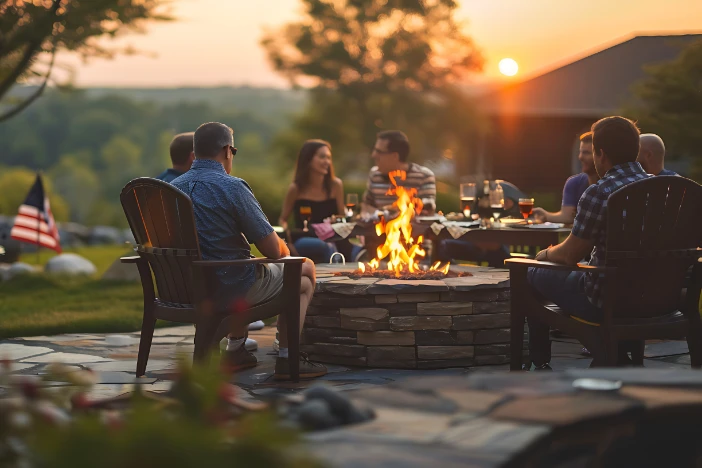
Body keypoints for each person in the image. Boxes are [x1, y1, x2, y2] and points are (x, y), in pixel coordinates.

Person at [172, 122, 327, 381]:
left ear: (196, 152)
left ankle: (236, 351)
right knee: (305, 270)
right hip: (228, 287)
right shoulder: (231, 187)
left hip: (185, 288)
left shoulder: (173, 189)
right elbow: (272, 250)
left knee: (240, 262)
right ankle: (289, 358)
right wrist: (284, 247)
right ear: (226, 151)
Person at [525, 116, 651, 370]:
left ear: (601, 154)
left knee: (529, 273)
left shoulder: (600, 191)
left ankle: (539, 361)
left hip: (605, 300)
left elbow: (569, 255)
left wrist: (545, 255)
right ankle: (618, 353)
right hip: (657, 299)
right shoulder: (668, 189)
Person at [278, 140, 352, 263]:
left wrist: (337, 219)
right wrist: (287, 241)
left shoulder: (335, 185)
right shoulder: (296, 189)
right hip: (304, 238)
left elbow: (342, 217)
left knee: (356, 249)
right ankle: (336, 273)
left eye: (329, 158)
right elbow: (283, 219)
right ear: (308, 159)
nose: (327, 162)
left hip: (330, 236)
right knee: (324, 245)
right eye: (322, 157)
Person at [361, 130, 436, 215]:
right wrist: (384, 213)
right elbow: (366, 207)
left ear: (395, 156)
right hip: (380, 227)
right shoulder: (375, 174)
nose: (373, 155)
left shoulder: (424, 176)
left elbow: (428, 210)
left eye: (379, 152)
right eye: (374, 150)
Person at [533, 132, 599, 224]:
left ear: (600, 156)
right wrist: (545, 215)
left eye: (586, 153)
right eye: (580, 152)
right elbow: (567, 217)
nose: (580, 157)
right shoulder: (574, 183)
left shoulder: (612, 183)